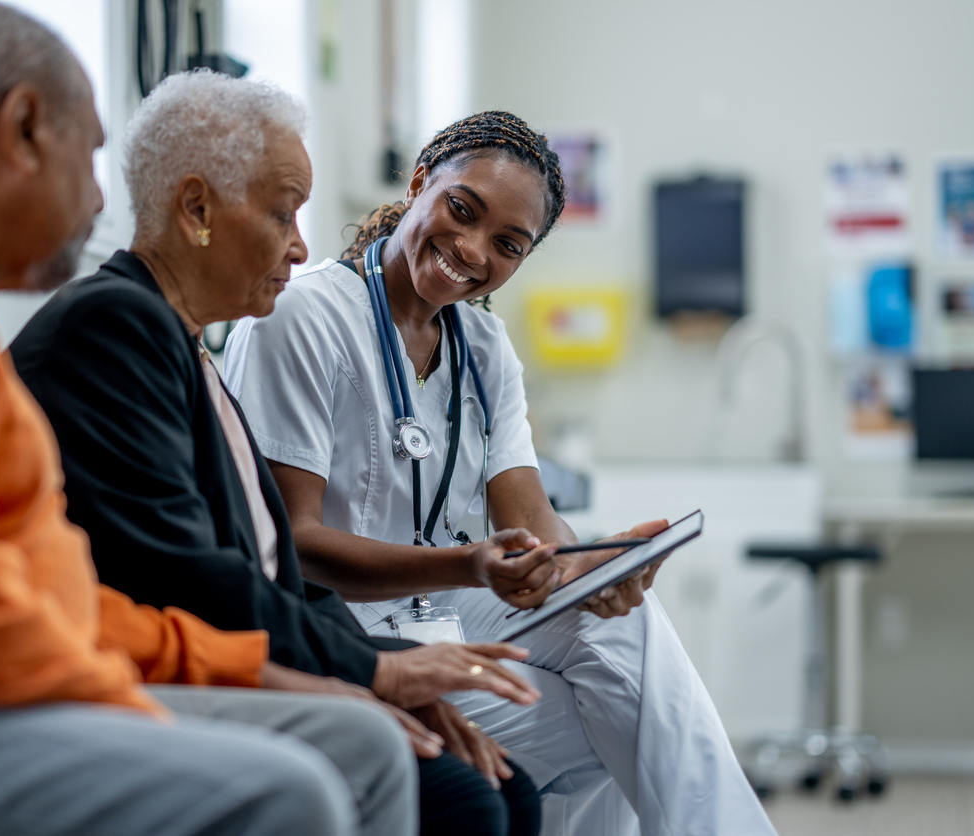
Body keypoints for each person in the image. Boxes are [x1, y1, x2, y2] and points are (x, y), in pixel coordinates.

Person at [0, 6, 411, 836]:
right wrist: (127, 703)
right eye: (91, 153)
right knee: (291, 791)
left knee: (362, 742)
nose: (100, 197)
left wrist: (240, 670)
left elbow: (52, 593)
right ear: (23, 128)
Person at [10, 70, 542, 836]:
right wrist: (371, 671)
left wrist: (383, 671)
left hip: (229, 639)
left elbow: (281, 577)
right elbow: (187, 575)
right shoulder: (113, 327)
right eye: (281, 213)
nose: (299, 246)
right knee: (466, 801)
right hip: (151, 662)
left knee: (503, 787)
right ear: (197, 209)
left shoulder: (183, 346)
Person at [222, 111, 779, 836]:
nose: (471, 250)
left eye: (507, 245)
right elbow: (292, 549)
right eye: (462, 210)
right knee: (612, 733)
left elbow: (533, 523)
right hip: (340, 629)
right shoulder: (303, 318)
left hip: (439, 613)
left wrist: (593, 567)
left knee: (622, 637)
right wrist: (471, 564)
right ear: (420, 181)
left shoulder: (483, 345)